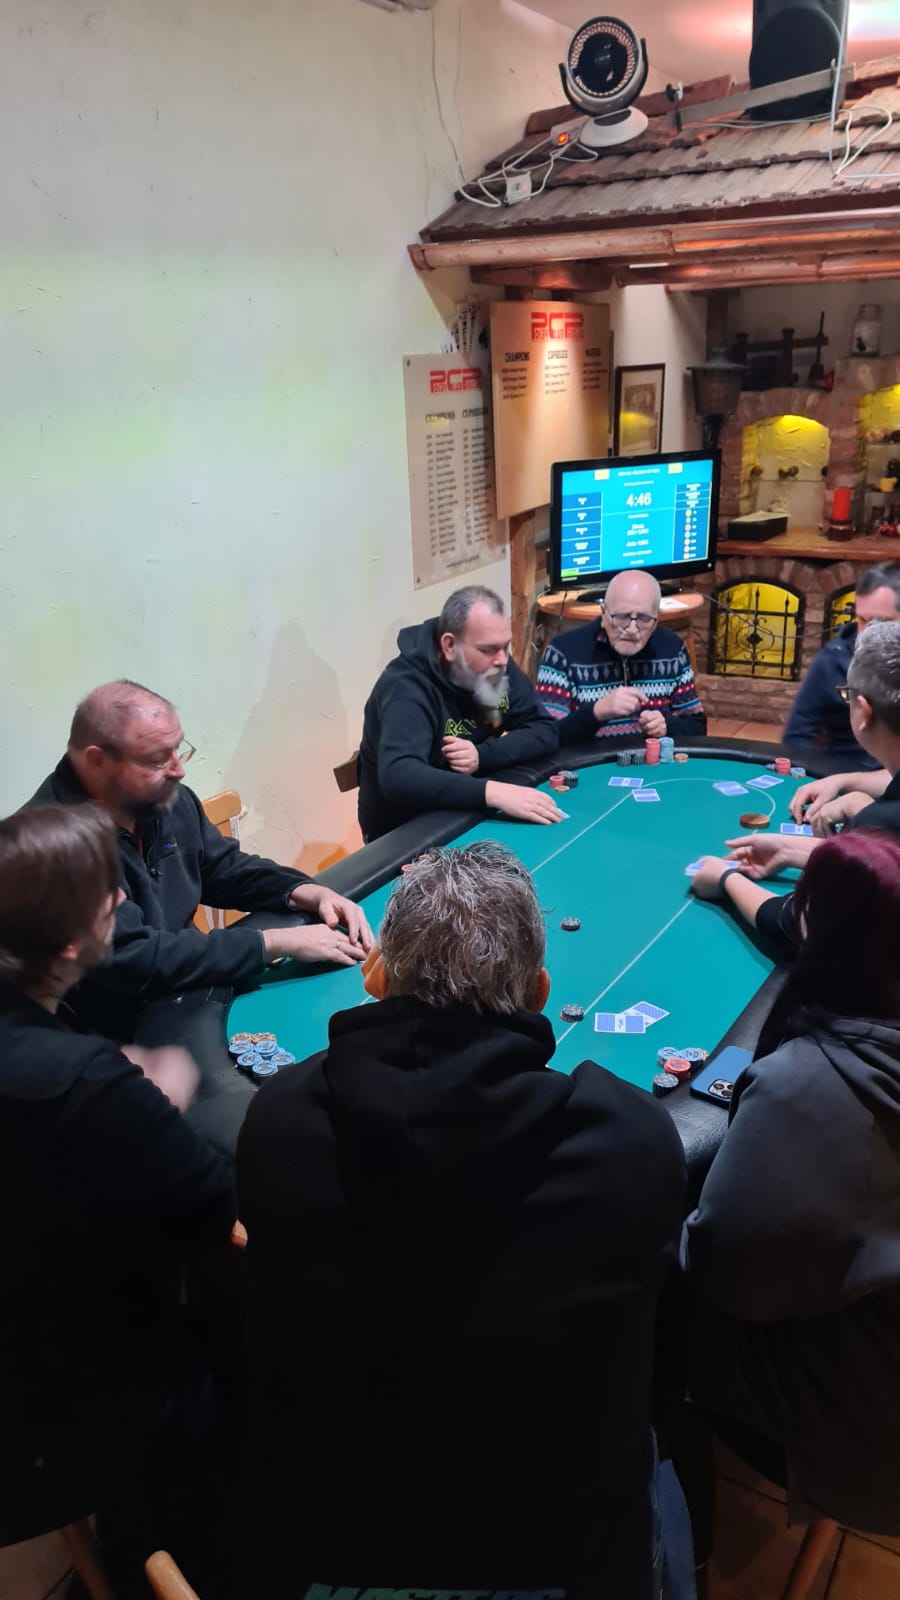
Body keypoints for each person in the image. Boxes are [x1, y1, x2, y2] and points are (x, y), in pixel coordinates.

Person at [234, 841, 688, 1599]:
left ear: (376, 978)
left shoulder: (278, 1120)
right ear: (540, 992)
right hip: (560, 1549)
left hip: (327, 1533)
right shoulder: (629, 1136)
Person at [0, 804, 235, 1596]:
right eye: (110, 895)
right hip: (54, 1413)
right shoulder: (86, 1084)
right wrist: (144, 1102)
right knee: (234, 1338)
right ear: (70, 945)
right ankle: (167, 1560)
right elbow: (212, 1203)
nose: (123, 902)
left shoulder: (55, 1049)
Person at [26, 681, 373, 1138]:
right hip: (108, 1045)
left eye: (179, 748)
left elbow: (221, 868)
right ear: (96, 762)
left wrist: (307, 891)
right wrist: (274, 942)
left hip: (183, 996)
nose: (179, 770)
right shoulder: (54, 848)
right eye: (158, 759)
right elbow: (136, 959)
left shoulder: (161, 799)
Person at [682, 829, 900, 1535]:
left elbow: (723, 1276)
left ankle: (681, 1517)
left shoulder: (804, 1084)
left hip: (872, 1437)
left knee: (647, 1297)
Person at [688, 620, 900, 956]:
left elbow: (801, 926)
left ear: (863, 712)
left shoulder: (880, 822)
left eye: (847, 696)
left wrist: (727, 881)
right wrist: (791, 850)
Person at [357, 585, 562, 841]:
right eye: (487, 650)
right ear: (449, 646)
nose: (502, 660)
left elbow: (544, 729)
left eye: (505, 647)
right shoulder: (406, 686)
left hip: (464, 809)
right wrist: (493, 792)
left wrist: (482, 756)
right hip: (403, 828)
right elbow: (399, 775)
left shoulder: (495, 666)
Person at [535, 569, 706, 744]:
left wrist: (667, 726)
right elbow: (544, 737)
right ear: (603, 613)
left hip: (652, 759)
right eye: (622, 617)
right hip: (590, 760)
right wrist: (596, 712)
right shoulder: (562, 653)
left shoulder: (673, 650)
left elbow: (698, 727)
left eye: (643, 619)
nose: (632, 629)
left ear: (656, 621)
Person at [783, 560, 900, 764]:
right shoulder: (831, 661)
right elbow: (798, 735)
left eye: (881, 622)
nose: (867, 633)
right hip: (846, 771)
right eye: (862, 620)